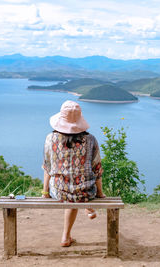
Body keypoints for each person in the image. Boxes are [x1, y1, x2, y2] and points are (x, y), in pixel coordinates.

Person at [42, 100, 106, 247]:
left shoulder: (51, 139)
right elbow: (97, 169)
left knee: (69, 191)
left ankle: (66, 236)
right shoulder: (90, 140)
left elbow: (47, 168)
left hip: (59, 191)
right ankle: (85, 210)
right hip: (85, 192)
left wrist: (45, 192)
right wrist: (100, 193)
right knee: (76, 190)